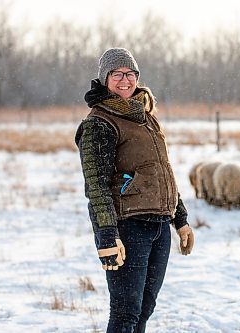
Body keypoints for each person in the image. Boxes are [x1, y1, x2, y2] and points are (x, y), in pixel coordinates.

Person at [75, 47, 195, 333]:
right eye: (117, 74)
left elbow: (162, 172)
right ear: (105, 79)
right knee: (126, 312)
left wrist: (181, 219)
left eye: (130, 73)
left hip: (159, 227)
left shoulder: (147, 117)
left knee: (144, 309)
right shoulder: (99, 123)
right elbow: (96, 186)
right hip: (128, 228)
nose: (125, 80)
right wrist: (106, 235)